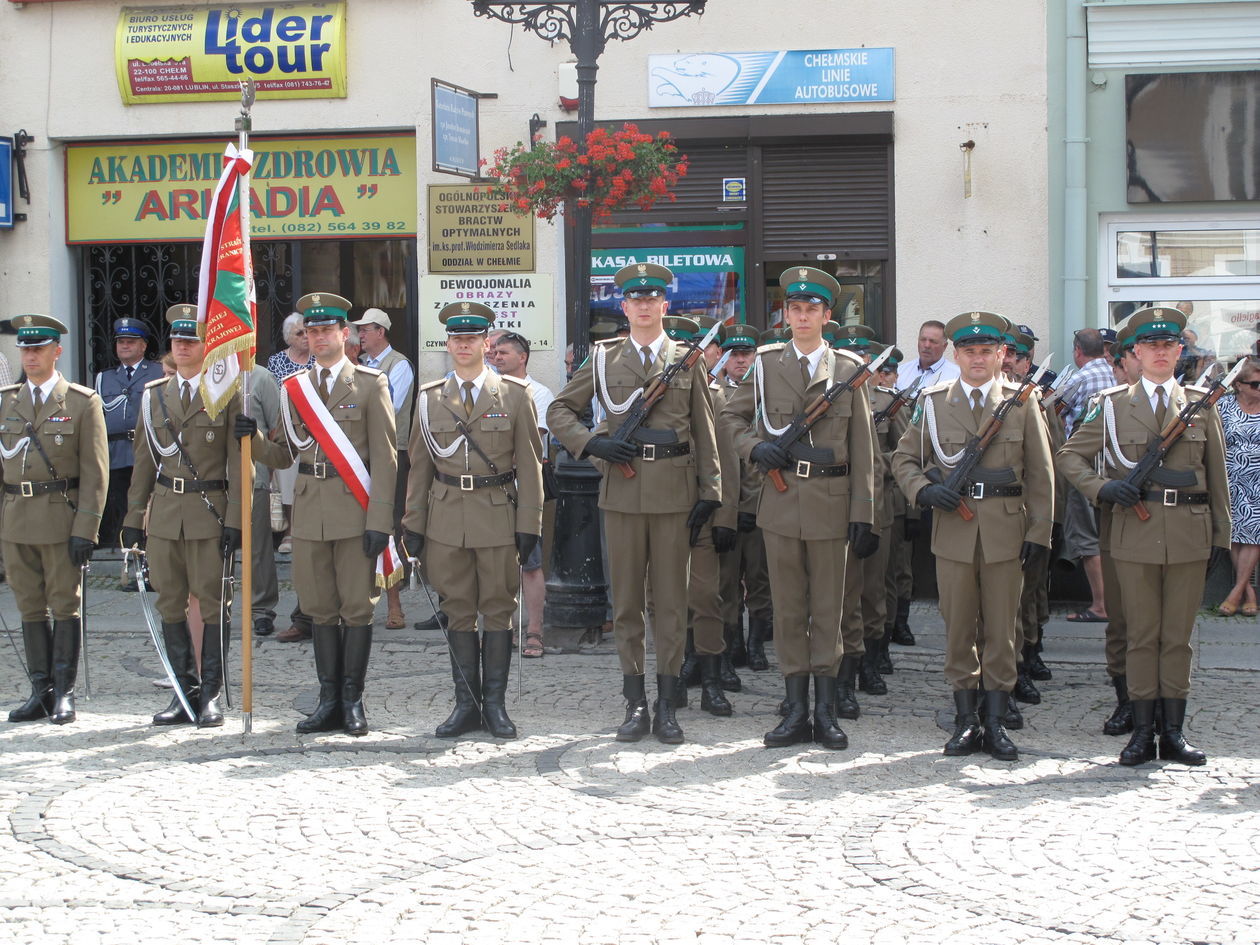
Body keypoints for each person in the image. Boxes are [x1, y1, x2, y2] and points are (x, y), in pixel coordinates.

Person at [548, 262, 721, 746]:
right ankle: (635, 702)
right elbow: (559, 410)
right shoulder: (603, 358)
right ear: (624, 307)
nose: (644, 306)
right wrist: (591, 444)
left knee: (670, 603)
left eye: (652, 299)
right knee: (625, 604)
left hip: (673, 493)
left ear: (665, 306)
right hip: (621, 493)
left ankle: (667, 704)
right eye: (635, 300)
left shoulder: (688, 360)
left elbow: (705, 431)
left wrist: (712, 492)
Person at [1058, 306, 1230, 767]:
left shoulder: (1198, 404)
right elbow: (1069, 457)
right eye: (1151, 345)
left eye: (1168, 345)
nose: (1160, 352)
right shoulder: (1113, 405)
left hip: (1190, 535)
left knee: (1177, 638)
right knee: (1140, 636)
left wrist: (1221, 537)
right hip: (1133, 533)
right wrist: (1102, 487)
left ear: (1179, 351)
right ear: (1135, 352)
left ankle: (1173, 731)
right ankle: (1140, 733)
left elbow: (1218, 477)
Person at [721, 267, 877, 750]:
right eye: (795, 308)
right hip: (782, 499)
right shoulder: (766, 364)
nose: (803, 315)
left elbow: (865, 445)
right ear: (785, 315)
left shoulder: (849, 369)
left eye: (812, 309)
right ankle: (794, 709)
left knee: (828, 611)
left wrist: (863, 512)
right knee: (789, 611)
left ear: (828, 316)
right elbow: (730, 415)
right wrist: (753, 448)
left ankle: (826, 711)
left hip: (832, 502)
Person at [891, 310, 1054, 762]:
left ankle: (997, 721)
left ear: (1002, 354)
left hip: (1006, 529)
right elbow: (903, 459)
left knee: (1003, 629)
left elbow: (1041, 474)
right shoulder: (935, 400)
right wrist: (925, 492)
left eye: (987, 351)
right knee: (959, 627)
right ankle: (965, 720)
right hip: (954, 529)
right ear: (956, 355)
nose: (978, 359)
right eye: (969, 351)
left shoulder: (1022, 402)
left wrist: (1039, 534)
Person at [120, 305, 286, 728]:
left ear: (207, 347)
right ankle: (183, 693)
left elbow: (238, 464)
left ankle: (209, 694)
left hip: (208, 512)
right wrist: (133, 516)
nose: (182, 346)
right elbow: (144, 461)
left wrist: (235, 520)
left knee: (212, 604)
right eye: (177, 340)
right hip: (163, 515)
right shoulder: (154, 394)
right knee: (170, 603)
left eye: (191, 340)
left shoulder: (227, 395)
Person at [404, 302, 544, 739]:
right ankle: (466, 705)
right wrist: (413, 522)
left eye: (472, 339)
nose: (463, 345)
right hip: (446, 518)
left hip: (499, 516)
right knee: (458, 609)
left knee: (499, 611)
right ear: (447, 344)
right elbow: (419, 466)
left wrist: (530, 525)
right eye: (456, 339)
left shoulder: (515, 395)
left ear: (486, 343)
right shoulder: (430, 399)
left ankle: (496, 707)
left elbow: (531, 466)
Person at [276, 292, 398, 737]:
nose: (320, 336)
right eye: (312, 330)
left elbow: (385, 459)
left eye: (328, 329)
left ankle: (352, 701)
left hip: (355, 509)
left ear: (345, 334)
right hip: (309, 512)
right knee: (319, 609)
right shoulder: (294, 389)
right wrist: (248, 435)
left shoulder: (369, 383)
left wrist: (380, 522)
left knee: (356, 609)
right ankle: (327, 700)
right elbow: (284, 450)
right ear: (304, 337)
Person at [2, 314, 108, 725]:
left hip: (60, 519)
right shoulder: (6, 400)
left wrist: (87, 527)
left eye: (38, 348)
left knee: (65, 604)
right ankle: (40, 691)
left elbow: (96, 473)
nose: (30, 356)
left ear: (56, 352)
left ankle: (64, 693)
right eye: (25, 349)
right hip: (15, 520)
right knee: (29, 606)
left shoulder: (81, 402)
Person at [490, 330, 555, 658]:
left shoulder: (538, 393)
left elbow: (531, 443)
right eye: (494, 352)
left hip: (522, 487)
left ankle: (534, 631)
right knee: (492, 562)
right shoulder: (487, 391)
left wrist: (495, 458)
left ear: (522, 357)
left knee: (530, 562)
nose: (496, 357)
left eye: (503, 352)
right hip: (489, 491)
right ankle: (498, 628)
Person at [352, 308, 416, 631]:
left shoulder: (400, 365)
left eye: (366, 330)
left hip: (392, 453)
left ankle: (395, 603)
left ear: (382, 332)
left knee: (388, 523)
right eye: (359, 330)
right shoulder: (358, 366)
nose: (360, 335)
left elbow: (387, 408)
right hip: (359, 454)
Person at [715, 325, 773, 673]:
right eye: (734, 354)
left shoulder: (765, 394)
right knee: (725, 579)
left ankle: (757, 644)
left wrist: (754, 503)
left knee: (759, 577)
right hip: (725, 504)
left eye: (746, 354)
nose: (740, 360)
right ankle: (732, 641)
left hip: (760, 499)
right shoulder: (714, 394)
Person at [96, 318, 161, 575]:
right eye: (120, 342)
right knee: (126, 511)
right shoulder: (105, 378)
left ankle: (154, 566)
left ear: (143, 346)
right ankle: (133, 567)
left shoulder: (156, 372)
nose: (124, 346)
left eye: (130, 342)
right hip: (118, 454)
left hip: (150, 451)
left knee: (152, 511)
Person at [1060, 328, 1116, 623]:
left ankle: (1100, 604)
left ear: (1078, 351)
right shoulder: (1114, 374)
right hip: (1111, 465)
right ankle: (1113, 602)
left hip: (1082, 464)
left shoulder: (1079, 378)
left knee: (1085, 535)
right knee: (1104, 535)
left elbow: (1055, 411)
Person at [1215, 356, 1260, 616]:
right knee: (1233, 533)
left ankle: (1236, 591)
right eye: (1255, 384)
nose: (1259, 389)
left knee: (1254, 533)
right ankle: (1249, 592)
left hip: (1258, 479)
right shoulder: (1223, 406)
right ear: (1239, 385)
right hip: (1230, 476)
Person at [896, 319, 961, 389]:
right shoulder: (901, 372)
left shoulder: (956, 377)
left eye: (933, 341)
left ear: (944, 346)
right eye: (923, 340)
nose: (927, 345)